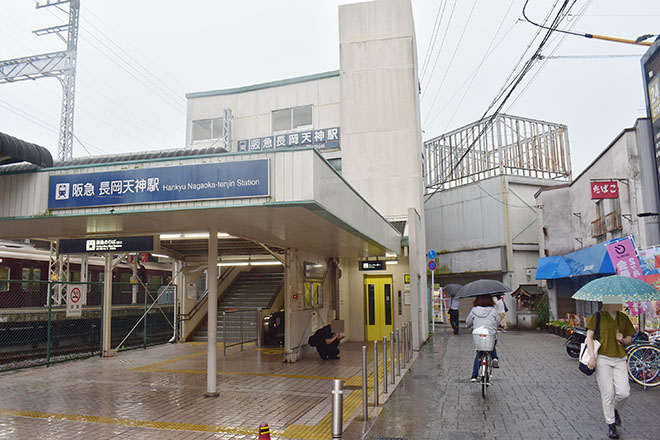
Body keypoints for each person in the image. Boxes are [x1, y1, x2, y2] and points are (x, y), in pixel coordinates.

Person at [585, 298, 635, 439]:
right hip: (602, 358)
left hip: (620, 358)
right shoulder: (598, 316)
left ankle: (614, 409)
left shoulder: (623, 318)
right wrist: (592, 356)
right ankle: (611, 424)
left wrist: (623, 339)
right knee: (608, 393)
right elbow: (589, 337)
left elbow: (630, 338)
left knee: (623, 393)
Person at [465, 294, 500, 382]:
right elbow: (498, 321)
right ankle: (495, 358)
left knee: (479, 353)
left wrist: (470, 326)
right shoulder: (493, 310)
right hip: (490, 334)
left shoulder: (474, 310)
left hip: (478, 335)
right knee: (492, 344)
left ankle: (474, 376)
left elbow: (468, 322)